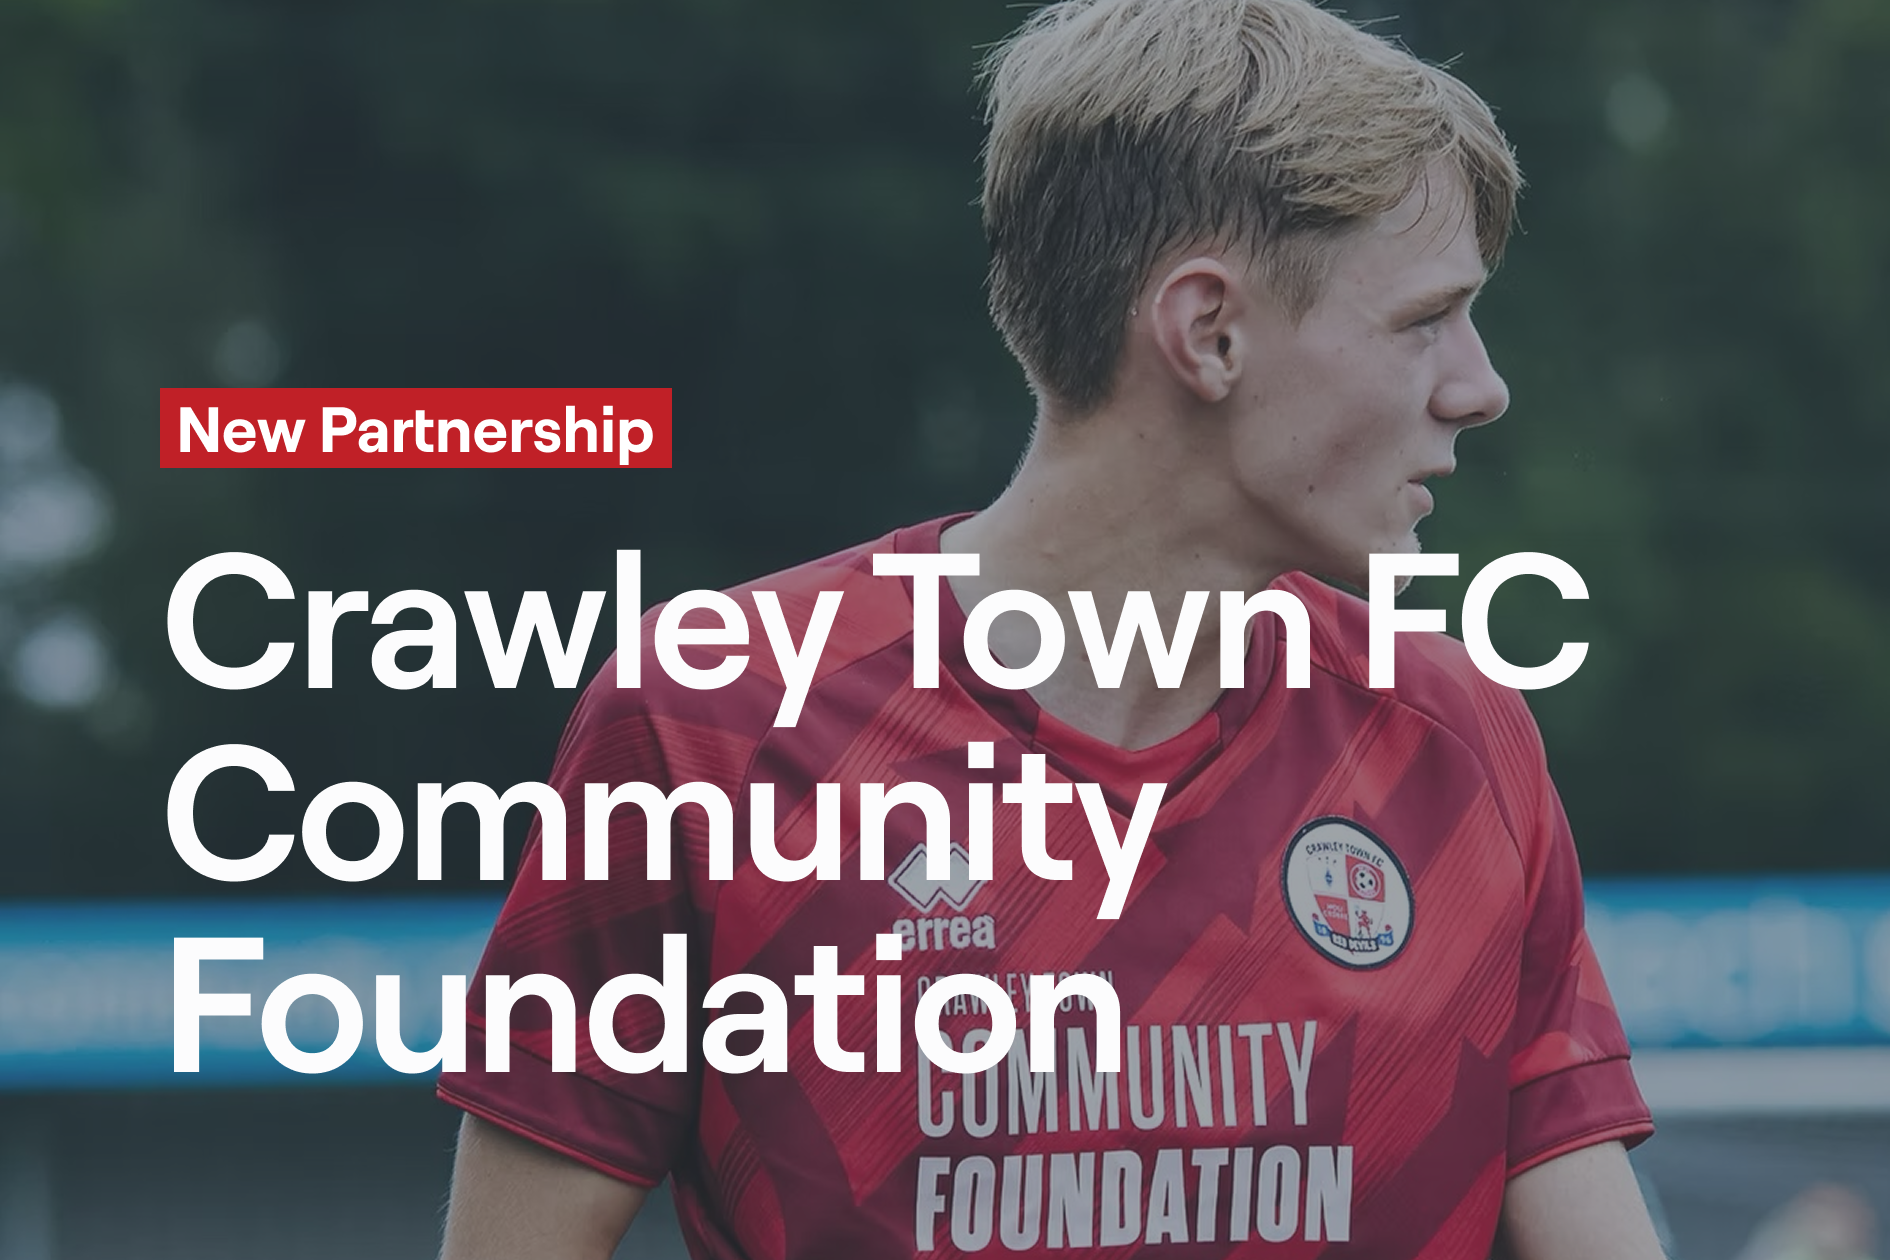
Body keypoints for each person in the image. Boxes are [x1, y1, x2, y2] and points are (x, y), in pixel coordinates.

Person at [435, 0, 1665, 1255]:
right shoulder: (713, 725)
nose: (1482, 385)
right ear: (1209, 332)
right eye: (1422, 321)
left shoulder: (1459, 747)